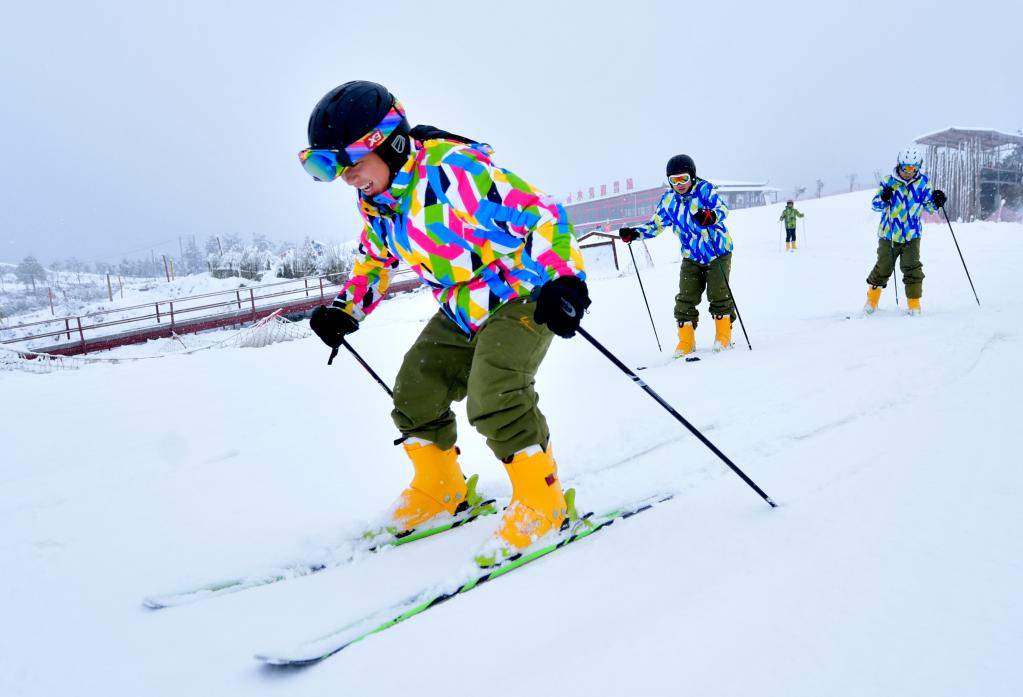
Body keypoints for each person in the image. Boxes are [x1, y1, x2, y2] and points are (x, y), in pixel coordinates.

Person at [300, 81, 589, 567]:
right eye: (331, 170)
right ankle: (441, 489)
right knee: (415, 391)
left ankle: (543, 501)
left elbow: (543, 215)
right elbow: (375, 259)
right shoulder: (379, 200)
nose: (346, 178)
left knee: (495, 393)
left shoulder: (454, 171)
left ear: (388, 144)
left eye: (349, 165)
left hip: (522, 294)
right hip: (460, 307)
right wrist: (346, 308)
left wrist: (565, 281)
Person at [618, 154, 734, 358]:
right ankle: (686, 342)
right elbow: (656, 225)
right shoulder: (669, 200)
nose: (679, 184)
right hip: (691, 255)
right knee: (685, 297)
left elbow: (722, 208)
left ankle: (723, 336)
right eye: (674, 180)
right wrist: (635, 233)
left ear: (693, 177)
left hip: (717, 251)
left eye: (683, 179)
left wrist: (710, 216)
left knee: (718, 293)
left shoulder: (704, 190)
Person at [864, 145, 946, 315]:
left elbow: (930, 207)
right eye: (905, 167)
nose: (909, 171)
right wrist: (883, 197)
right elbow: (876, 205)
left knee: (912, 267)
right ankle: (871, 301)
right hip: (889, 234)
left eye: (913, 168)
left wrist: (937, 201)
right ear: (899, 165)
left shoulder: (923, 182)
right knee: (884, 267)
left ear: (918, 167)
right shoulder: (888, 181)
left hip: (912, 234)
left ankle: (914, 304)